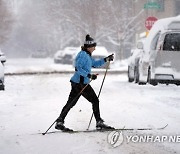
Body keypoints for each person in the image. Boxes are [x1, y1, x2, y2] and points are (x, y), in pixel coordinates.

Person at [55, 34, 114, 131]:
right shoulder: (82, 55)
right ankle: (99, 122)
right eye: (93, 47)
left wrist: (106, 59)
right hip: (80, 83)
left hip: (78, 82)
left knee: (71, 103)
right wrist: (89, 75)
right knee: (94, 100)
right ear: (89, 46)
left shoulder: (87, 55)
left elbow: (94, 64)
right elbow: (78, 68)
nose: (94, 48)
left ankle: (60, 121)